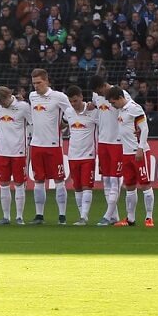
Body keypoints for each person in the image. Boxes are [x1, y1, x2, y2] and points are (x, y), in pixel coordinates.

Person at [27, 68, 71, 225]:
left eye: (39, 83)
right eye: (34, 83)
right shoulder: (32, 96)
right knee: (38, 180)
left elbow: (71, 113)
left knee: (59, 180)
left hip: (53, 145)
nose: (36, 86)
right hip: (36, 145)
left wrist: (65, 124)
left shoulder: (59, 97)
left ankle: (62, 216)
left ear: (46, 81)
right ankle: (39, 215)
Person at [108, 87, 155, 227]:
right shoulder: (121, 110)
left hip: (138, 152)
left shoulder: (135, 108)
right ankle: (130, 218)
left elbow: (145, 128)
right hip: (126, 153)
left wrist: (141, 148)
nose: (112, 105)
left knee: (145, 184)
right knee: (129, 186)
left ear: (120, 98)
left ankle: (149, 217)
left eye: (113, 102)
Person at [0, 86, 31, 225]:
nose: (2, 105)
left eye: (3, 102)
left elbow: (33, 123)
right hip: (1, 151)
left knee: (19, 183)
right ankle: (6, 217)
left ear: (9, 96)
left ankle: (19, 217)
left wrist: (31, 140)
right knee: (4, 184)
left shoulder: (23, 107)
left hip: (18, 151)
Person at [90, 76, 125, 225]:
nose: (99, 94)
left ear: (105, 86)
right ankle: (114, 216)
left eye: (100, 91)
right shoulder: (96, 97)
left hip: (117, 143)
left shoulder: (120, 94)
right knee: (106, 180)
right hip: (102, 142)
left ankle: (107, 215)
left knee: (114, 180)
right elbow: (96, 112)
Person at [62, 85, 97, 226]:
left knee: (87, 186)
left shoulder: (93, 112)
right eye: (71, 101)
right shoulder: (68, 112)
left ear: (81, 97)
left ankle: (84, 216)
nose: (73, 104)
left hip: (88, 155)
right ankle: (81, 215)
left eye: (75, 101)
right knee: (77, 187)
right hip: (72, 155)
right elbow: (62, 124)